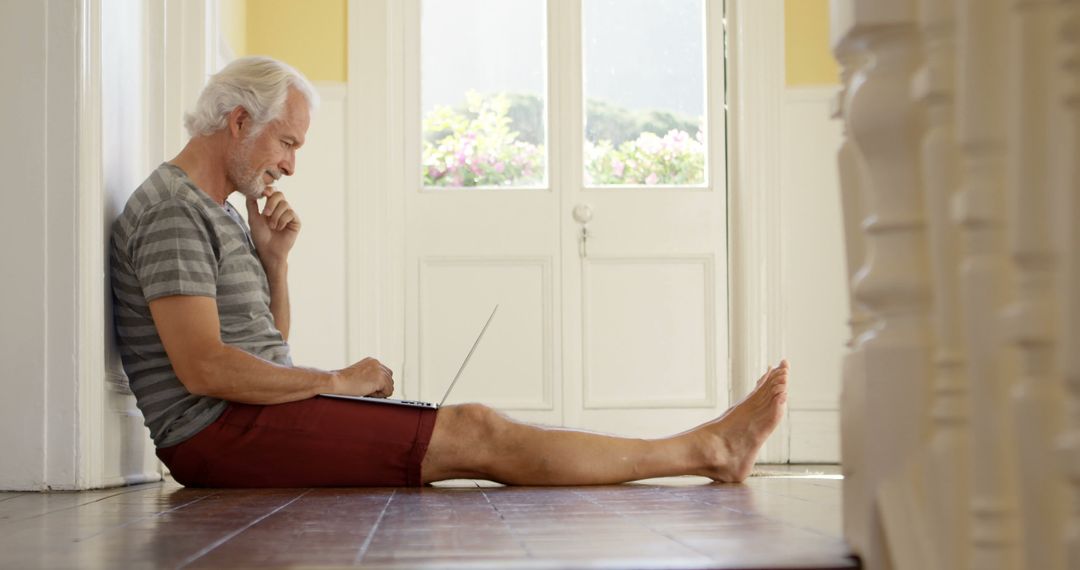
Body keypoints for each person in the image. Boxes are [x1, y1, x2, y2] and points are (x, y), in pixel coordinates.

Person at [110, 56, 790, 488]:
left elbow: (261, 345)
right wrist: (338, 381)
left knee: (471, 428)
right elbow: (204, 369)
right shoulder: (175, 211)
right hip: (218, 434)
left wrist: (274, 264)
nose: (290, 165)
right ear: (237, 121)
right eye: (288, 142)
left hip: (246, 417)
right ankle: (704, 451)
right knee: (475, 432)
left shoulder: (221, 212)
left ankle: (702, 447)